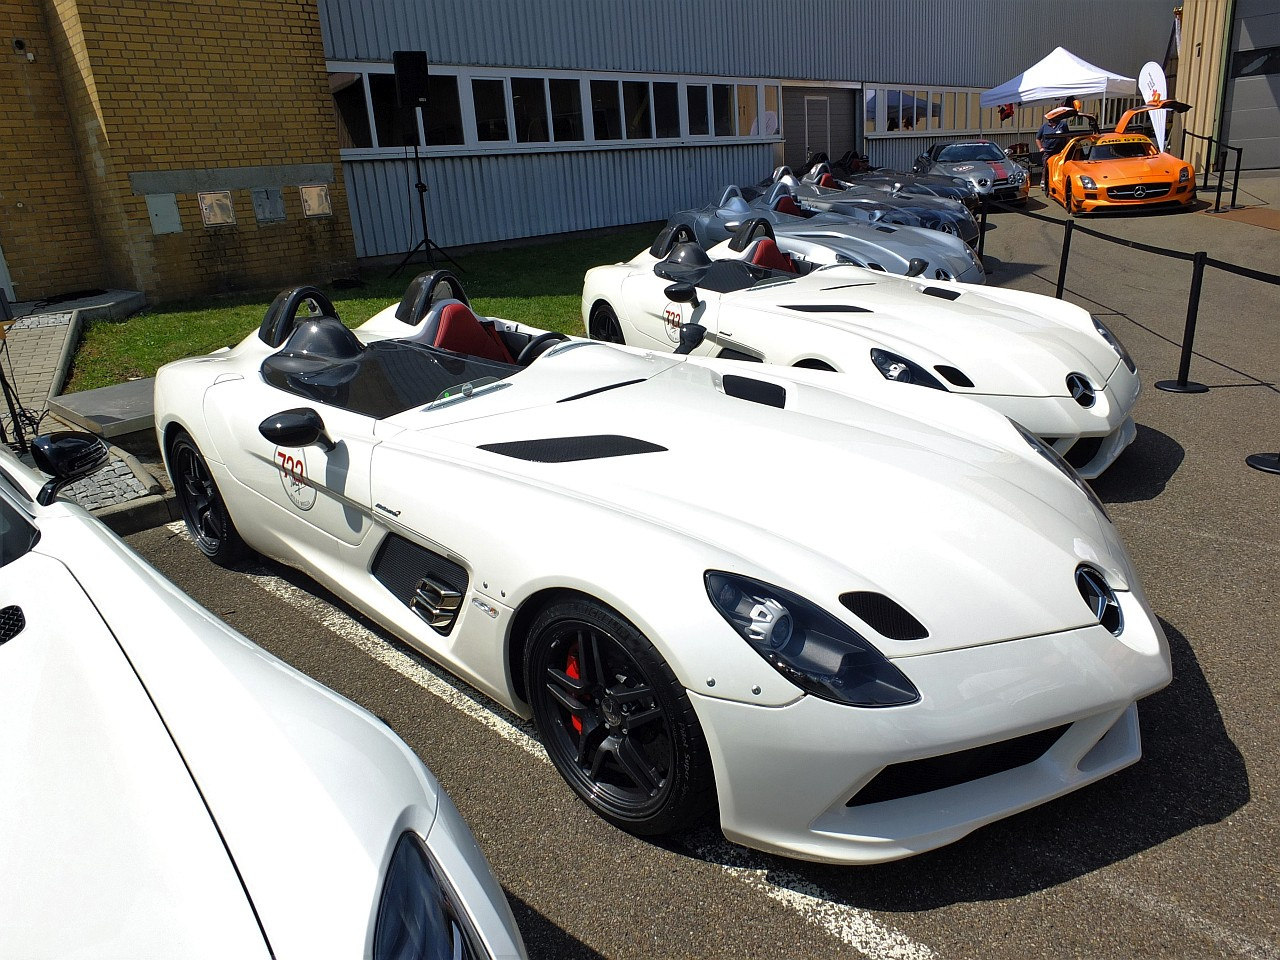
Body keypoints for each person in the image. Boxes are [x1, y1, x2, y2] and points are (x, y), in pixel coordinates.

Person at [1036, 106, 1073, 194]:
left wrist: (1067, 147)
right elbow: (1037, 138)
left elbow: (1068, 137)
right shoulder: (1044, 127)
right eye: (1049, 120)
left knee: (1060, 166)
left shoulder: (1063, 125)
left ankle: (1058, 183)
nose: (1051, 121)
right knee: (1046, 166)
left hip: (1060, 151)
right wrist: (1041, 148)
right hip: (1048, 151)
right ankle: (1044, 182)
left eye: (1052, 120)